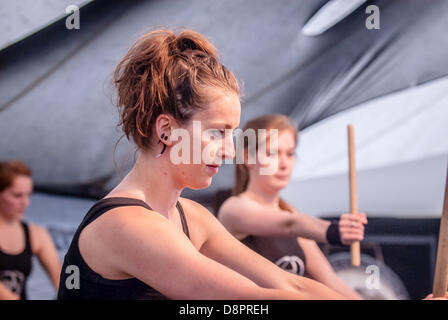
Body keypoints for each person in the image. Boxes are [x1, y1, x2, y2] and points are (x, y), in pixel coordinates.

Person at [56, 28, 447, 300]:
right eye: (218, 133)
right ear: (166, 130)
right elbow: (256, 299)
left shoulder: (193, 217)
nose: (228, 150)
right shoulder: (124, 225)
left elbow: (289, 285)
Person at [217, 114, 366, 299]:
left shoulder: (290, 212)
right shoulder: (234, 208)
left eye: (290, 153)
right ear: (247, 157)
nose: (284, 164)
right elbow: (290, 225)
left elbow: (330, 282)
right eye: (273, 153)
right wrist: (333, 230)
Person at [0, 161, 61, 300]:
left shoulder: (36, 234)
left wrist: (75, 291)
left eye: (28, 195)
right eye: (17, 195)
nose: (25, 202)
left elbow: (61, 278)